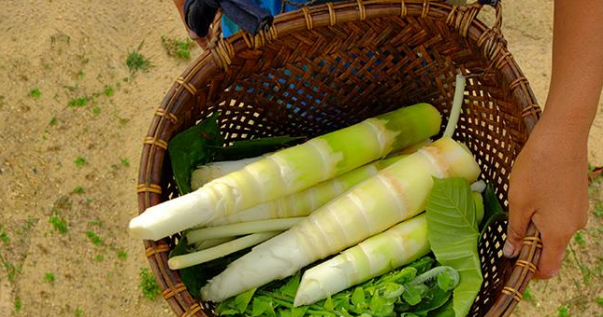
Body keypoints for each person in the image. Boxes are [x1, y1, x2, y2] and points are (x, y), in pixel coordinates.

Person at [172, 0, 603, 280]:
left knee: (397, 103)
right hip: (258, 32)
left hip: (412, 29)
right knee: (288, 125)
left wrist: (565, 131)